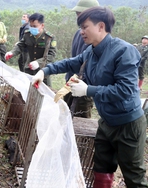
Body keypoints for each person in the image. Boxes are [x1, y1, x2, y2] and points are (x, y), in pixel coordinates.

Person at [31, 7, 147, 187]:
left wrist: (88, 90)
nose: (81, 32)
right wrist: (44, 70)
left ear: (101, 26)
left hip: (128, 124)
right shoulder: (91, 51)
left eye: (85, 27)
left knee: (134, 176)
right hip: (106, 121)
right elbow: (71, 62)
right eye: (80, 27)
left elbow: (125, 90)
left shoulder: (124, 51)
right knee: (101, 169)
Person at [63, 0, 99, 118]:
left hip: (84, 87)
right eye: (77, 14)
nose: (78, 17)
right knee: (65, 118)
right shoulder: (78, 34)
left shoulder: (98, 39)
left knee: (81, 123)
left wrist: (86, 87)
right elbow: (74, 59)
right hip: (71, 82)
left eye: (81, 14)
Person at [5, 13, 56, 87]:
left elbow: (52, 55)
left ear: (42, 25)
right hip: (29, 69)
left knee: (44, 92)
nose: (32, 28)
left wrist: (38, 62)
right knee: (27, 89)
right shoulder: (27, 34)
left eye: (35, 26)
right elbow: (20, 45)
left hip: (43, 71)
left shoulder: (49, 38)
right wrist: (12, 52)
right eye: (31, 26)